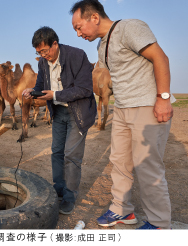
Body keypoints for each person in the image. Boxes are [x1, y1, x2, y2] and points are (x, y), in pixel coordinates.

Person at [71, 0, 174, 229]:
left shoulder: (130, 27)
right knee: (119, 162)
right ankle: (122, 210)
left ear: (94, 17)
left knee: (147, 165)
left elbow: (160, 58)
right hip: (122, 109)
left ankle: (159, 223)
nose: (78, 33)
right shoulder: (101, 46)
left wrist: (163, 99)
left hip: (146, 107)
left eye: (79, 27)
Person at [22, 26, 97, 215]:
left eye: (44, 51)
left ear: (55, 44)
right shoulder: (42, 63)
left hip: (77, 112)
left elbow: (85, 89)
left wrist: (55, 94)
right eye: (38, 52)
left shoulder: (77, 56)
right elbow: (41, 85)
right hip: (58, 112)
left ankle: (70, 196)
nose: (42, 55)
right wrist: (32, 91)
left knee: (71, 155)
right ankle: (59, 188)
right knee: (56, 152)